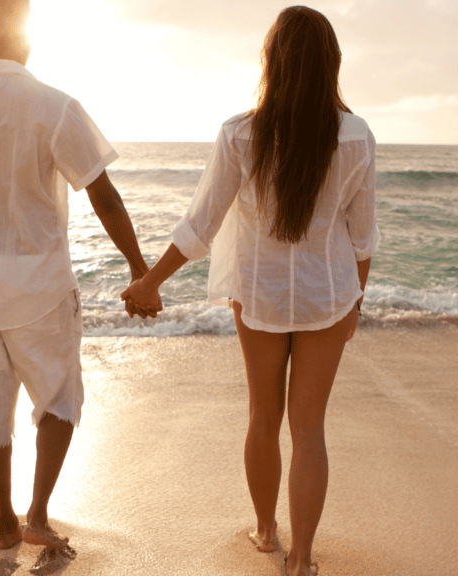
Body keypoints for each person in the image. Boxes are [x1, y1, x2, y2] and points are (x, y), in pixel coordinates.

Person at [122, 6, 378, 576]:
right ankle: (303, 559)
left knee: (264, 416)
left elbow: (201, 225)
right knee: (308, 427)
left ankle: (266, 533)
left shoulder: (241, 132)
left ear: (272, 62)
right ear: (331, 64)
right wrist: (354, 303)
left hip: (259, 298)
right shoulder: (356, 136)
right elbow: (363, 238)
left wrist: (149, 281)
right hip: (329, 297)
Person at [0, 0, 151, 553]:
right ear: (29, 34)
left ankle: (5, 525)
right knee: (59, 400)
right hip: (39, 285)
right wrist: (139, 269)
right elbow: (102, 194)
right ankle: (36, 512)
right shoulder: (54, 107)